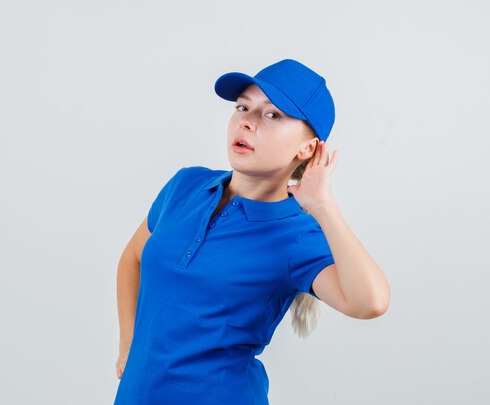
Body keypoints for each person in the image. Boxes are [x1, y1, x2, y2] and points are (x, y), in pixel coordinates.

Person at [114, 59, 390, 404]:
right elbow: (133, 258)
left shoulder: (297, 234)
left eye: (272, 115)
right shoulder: (186, 184)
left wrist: (323, 205)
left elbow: (371, 302)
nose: (246, 120)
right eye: (243, 106)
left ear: (308, 148)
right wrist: (129, 345)